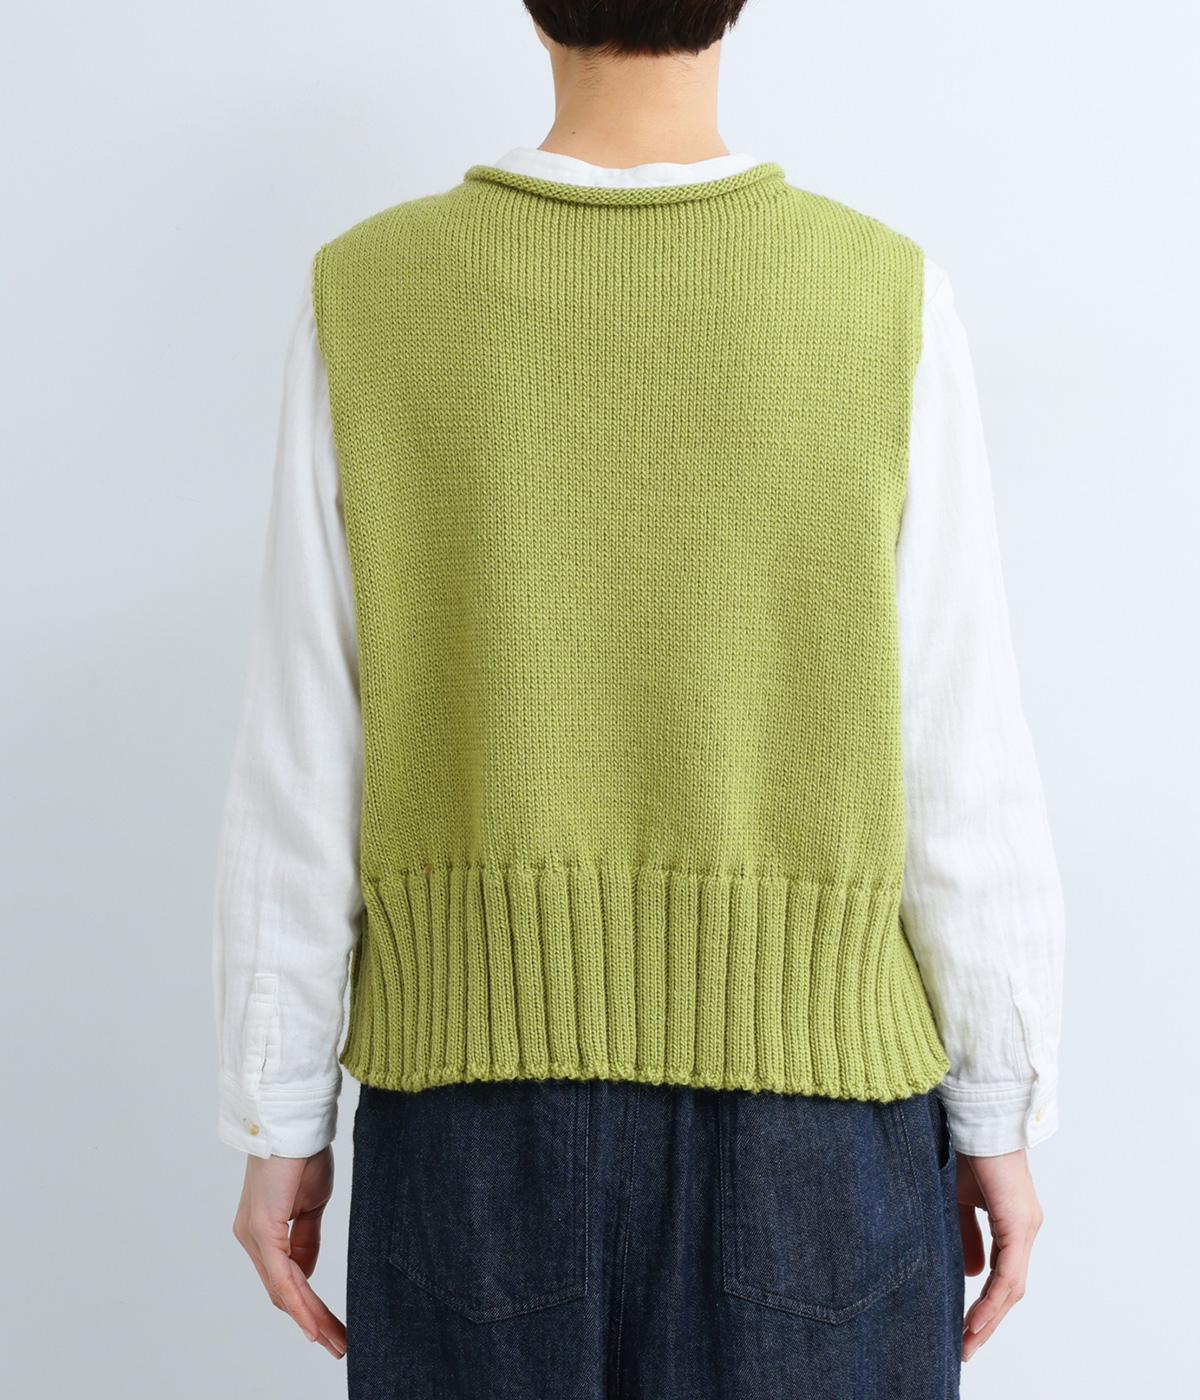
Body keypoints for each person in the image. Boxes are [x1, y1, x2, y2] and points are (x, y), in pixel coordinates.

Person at [212, 3, 1066, 1395]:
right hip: (817, 1129)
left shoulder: (368, 293)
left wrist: (279, 1115)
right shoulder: (881, 295)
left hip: (476, 1125)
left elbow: (308, 759)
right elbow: (958, 755)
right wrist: (999, 1104)